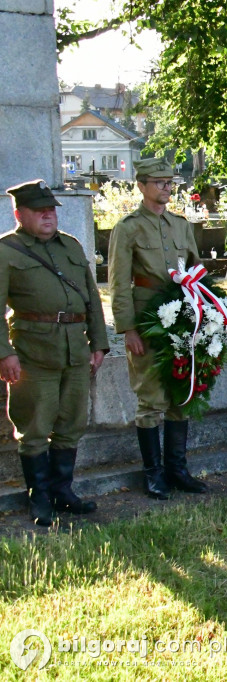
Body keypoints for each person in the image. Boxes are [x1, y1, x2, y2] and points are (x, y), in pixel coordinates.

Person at [1, 180, 108, 525]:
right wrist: (5, 353)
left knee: (71, 422)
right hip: (33, 352)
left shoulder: (71, 246)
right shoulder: (7, 251)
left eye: (51, 210)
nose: (48, 215)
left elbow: (91, 298)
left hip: (75, 351)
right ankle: (40, 497)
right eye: (39, 210)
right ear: (20, 214)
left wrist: (99, 342)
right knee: (34, 427)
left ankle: (63, 492)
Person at [109, 158, 208, 499]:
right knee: (151, 397)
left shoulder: (180, 225)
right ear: (141, 185)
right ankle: (153, 474)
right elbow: (119, 283)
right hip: (148, 318)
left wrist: (207, 313)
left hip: (183, 315)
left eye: (170, 183)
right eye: (160, 182)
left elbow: (196, 270)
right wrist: (128, 329)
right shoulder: (128, 227)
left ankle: (177, 470)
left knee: (182, 391)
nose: (167, 188)